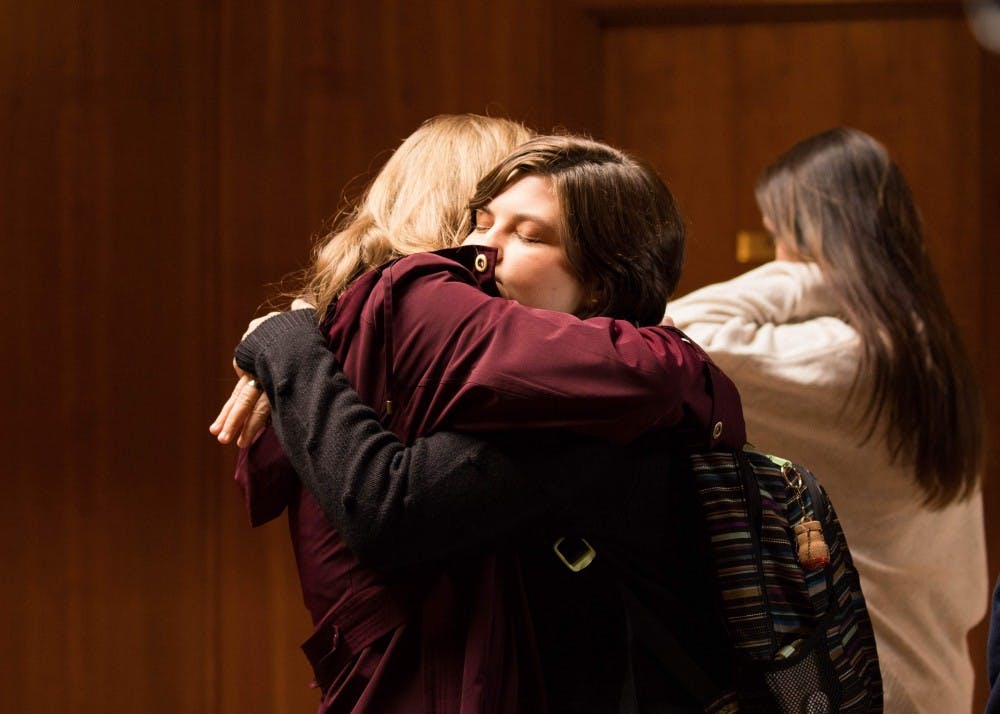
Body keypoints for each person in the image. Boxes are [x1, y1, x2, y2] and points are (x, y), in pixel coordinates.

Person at [213, 124, 745, 711]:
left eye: (529, 233)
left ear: (598, 282)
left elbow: (386, 508)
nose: (484, 253)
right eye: (481, 220)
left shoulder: (586, 396)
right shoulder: (398, 358)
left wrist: (288, 344)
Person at [666, 127, 986, 713]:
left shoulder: (844, 358)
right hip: (938, 677)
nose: (777, 257)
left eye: (779, 237)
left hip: (868, 682)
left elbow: (677, 331)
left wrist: (813, 271)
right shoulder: (926, 350)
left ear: (818, 239)